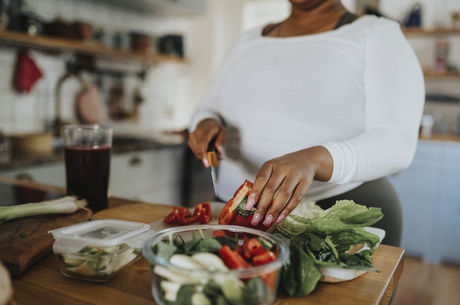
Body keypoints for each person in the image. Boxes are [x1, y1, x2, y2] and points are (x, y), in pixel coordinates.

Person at [187, 0, 424, 246]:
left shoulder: (377, 34)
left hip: (334, 217)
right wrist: (205, 122)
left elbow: (397, 141)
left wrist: (313, 160)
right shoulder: (248, 41)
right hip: (235, 212)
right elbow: (208, 108)